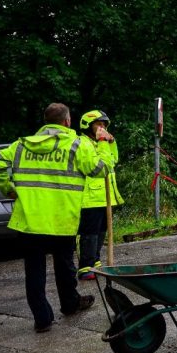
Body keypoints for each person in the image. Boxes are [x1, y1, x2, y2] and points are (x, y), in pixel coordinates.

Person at [0, 103, 107, 332]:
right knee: (64, 264)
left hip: (30, 222)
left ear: (45, 122)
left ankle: (42, 318)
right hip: (61, 219)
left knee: (34, 270)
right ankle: (70, 304)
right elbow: (101, 170)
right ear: (67, 122)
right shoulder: (76, 145)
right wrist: (103, 144)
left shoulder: (22, 145)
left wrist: (8, 188)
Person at [76, 110, 122, 280]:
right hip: (89, 197)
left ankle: (95, 261)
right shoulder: (83, 143)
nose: (102, 128)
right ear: (87, 126)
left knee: (101, 230)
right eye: (98, 124)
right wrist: (103, 141)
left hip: (104, 195)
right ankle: (85, 266)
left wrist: (111, 141)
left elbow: (113, 160)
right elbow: (96, 166)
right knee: (89, 233)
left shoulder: (100, 142)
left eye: (104, 125)